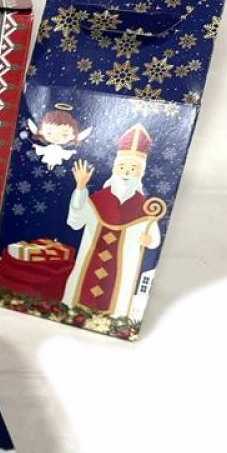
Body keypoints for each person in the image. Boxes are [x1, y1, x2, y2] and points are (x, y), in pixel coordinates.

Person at [63, 124, 161, 318]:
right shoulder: (98, 200)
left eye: (132, 169)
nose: (126, 173)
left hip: (124, 264)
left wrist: (149, 240)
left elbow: (154, 238)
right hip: (89, 260)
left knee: (117, 293)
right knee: (81, 287)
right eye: (122, 167)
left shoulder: (144, 207)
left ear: (140, 173)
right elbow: (75, 222)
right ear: (115, 169)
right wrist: (80, 188)